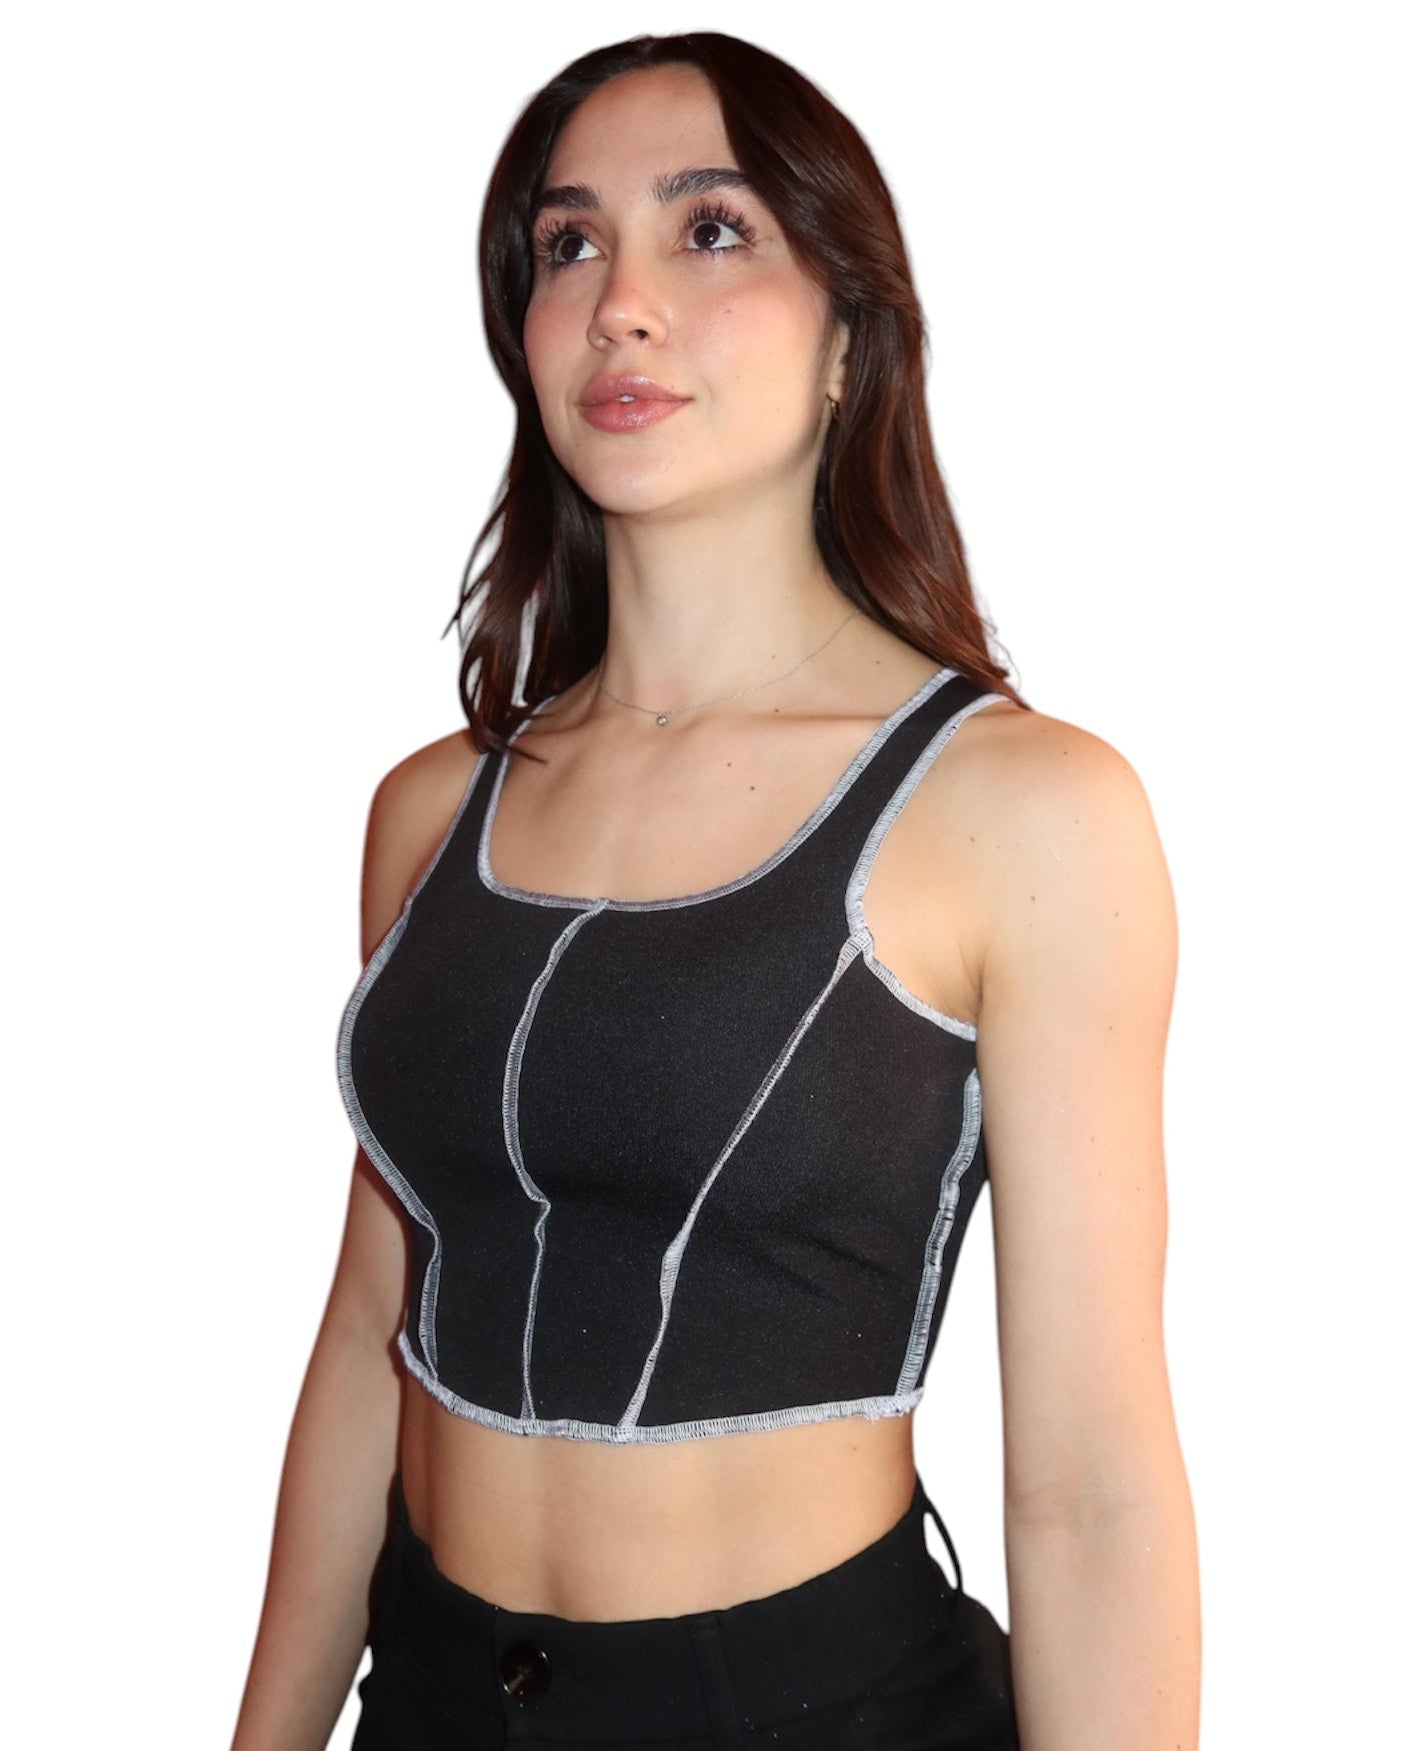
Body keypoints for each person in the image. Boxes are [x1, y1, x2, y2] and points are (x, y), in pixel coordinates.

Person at [230, 30, 1200, 1751]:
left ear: (850, 340)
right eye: (568, 244)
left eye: (709, 229)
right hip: (438, 1695)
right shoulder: (428, 815)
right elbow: (374, 1333)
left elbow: (1092, 1486)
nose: (620, 304)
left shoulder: (1020, 812)